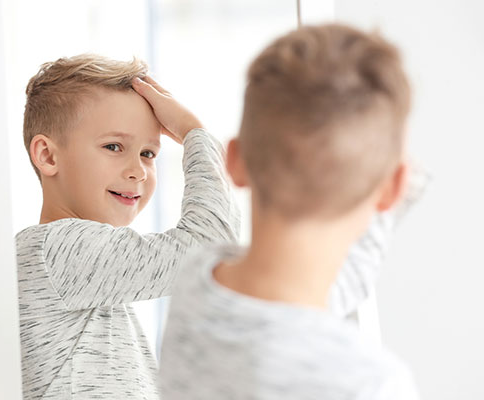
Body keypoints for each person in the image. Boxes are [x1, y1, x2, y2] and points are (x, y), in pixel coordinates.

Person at [158, 24, 425, 400]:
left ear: (234, 161)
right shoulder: (368, 384)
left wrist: (193, 133)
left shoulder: (197, 281)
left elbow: (326, 290)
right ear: (394, 188)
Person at [15, 54, 239, 399]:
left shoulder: (75, 263)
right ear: (47, 156)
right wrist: (194, 134)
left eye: (148, 153)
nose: (138, 170)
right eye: (114, 146)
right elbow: (210, 247)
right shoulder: (60, 248)